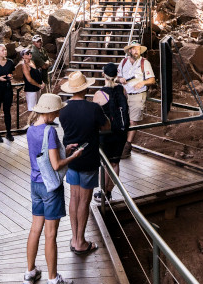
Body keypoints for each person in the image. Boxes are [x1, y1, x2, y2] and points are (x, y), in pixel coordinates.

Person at [24, 93, 85, 284]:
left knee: (35, 228)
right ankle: (53, 281)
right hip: (51, 187)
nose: (58, 114)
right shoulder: (50, 131)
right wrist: (74, 156)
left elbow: (42, 154)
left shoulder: (31, 129)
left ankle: (30, 271)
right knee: (51, 234)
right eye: (57, 111)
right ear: (49, 112)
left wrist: (63, 150)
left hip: (35, 184)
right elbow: (56, 164)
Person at [58, 70, 108, 256]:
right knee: (84, 201)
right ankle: (80, 241)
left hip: (71, 158)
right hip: (88, 159)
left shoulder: (63, 109)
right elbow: (106, 126)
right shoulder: (93, 108)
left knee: (74, 198)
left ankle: (74, 237)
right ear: (85, 88)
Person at [92, 63, 130, 202]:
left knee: (106, 163)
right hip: (121, 132)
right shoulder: (122, 90)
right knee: (115, 163)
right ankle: (108, 192)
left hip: (107, 133)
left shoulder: (100, 94)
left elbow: (95, 115)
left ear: (103, 75)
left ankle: (103, 192)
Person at [117, 41, 155, 158]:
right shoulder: (123, 62)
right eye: (134, 49)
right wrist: (120, 79)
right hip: (124, 95)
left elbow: (152, 80)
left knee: (133, 121)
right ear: (129, 51)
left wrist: (143, 82)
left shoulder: (145, 63)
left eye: (138, 49)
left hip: (138, 95)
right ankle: (121, 143)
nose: (137, 51)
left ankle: (127, 146)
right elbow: (117, 77)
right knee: (123, 119)